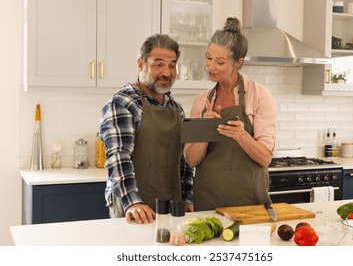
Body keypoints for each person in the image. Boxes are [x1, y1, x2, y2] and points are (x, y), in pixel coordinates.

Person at [183, 17, 277, 211]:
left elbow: (265, 158)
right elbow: (191, 160)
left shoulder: (259, 95)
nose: (210, 66)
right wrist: (205, 132)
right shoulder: (201, 101)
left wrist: (241, 136)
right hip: (208, 201)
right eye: (208, 58)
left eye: (219, 62)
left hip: (249, 202)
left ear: (238, 63)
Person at [99, 34, 194, 224]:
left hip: (171, 205)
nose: (167, 72)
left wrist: (187, 197)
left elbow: (184, 161)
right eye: (158, 64)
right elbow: (119, 157)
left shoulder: (175, 108)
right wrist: (133, 203)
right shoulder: (123, 103)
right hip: (135, 209)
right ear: (141, 64)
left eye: (172, 65)